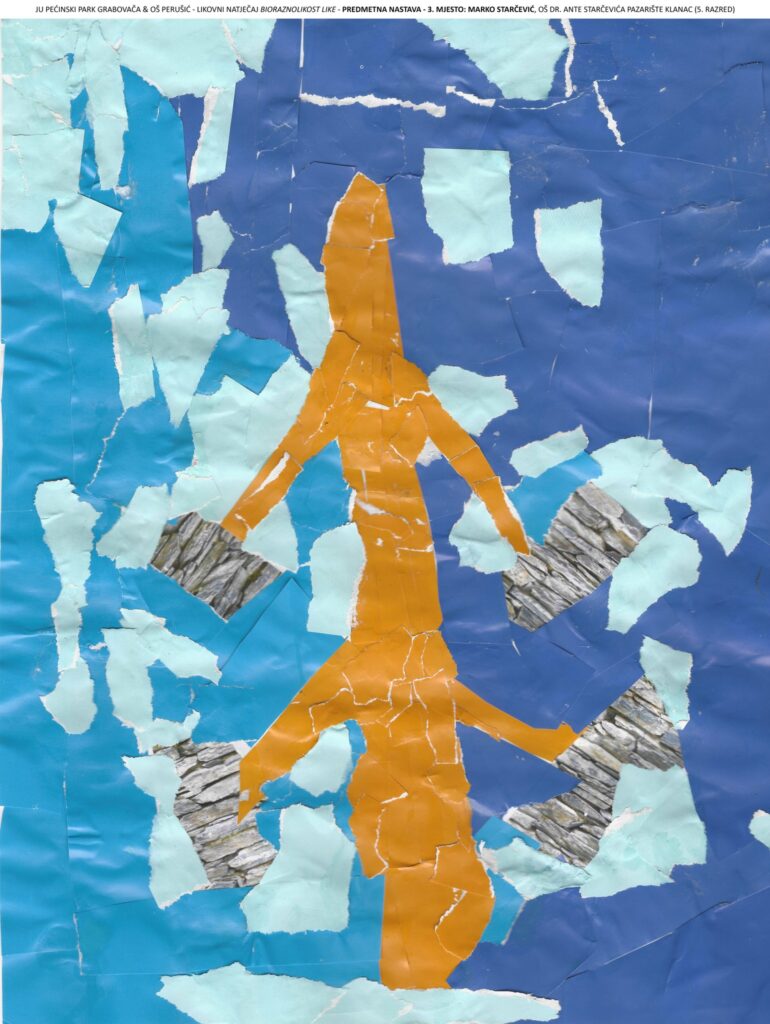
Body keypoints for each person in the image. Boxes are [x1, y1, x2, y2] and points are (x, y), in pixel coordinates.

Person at [221, 173, 579, 989]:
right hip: (403, 580)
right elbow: (300, 452)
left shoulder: (379, 368)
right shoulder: (359, 368)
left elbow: (455, 455)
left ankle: (413, 967)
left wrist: (254, 774)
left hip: (402, 580)